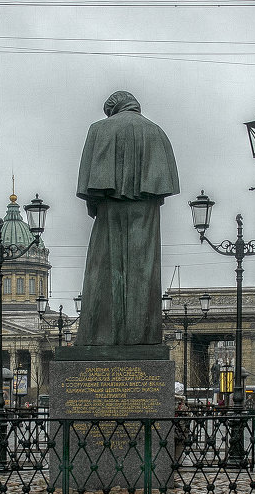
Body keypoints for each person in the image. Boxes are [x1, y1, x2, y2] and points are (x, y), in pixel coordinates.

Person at [75, 90, 180, 347]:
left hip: (109, 207)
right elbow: (161, 185)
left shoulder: (99, 129)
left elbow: (90, 186)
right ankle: (141, 337)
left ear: (113, 109)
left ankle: (99, 337)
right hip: (146, 208)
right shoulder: (157, 132)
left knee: (102, 271)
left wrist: (99, 202)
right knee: (144, 270)